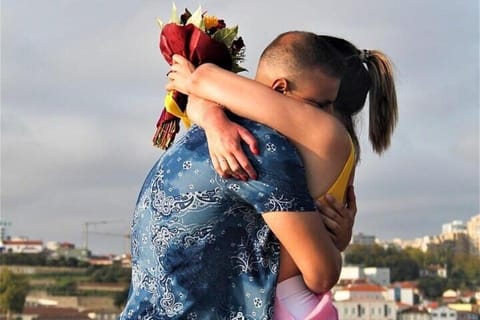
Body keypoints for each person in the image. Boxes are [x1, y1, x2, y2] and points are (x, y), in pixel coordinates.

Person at [166, 31, 398, 319]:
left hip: (279, 300)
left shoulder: (320, 135)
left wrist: (207, 107)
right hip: (294, 300)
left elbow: (203, 81)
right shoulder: (330, 145)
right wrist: (214, 120)